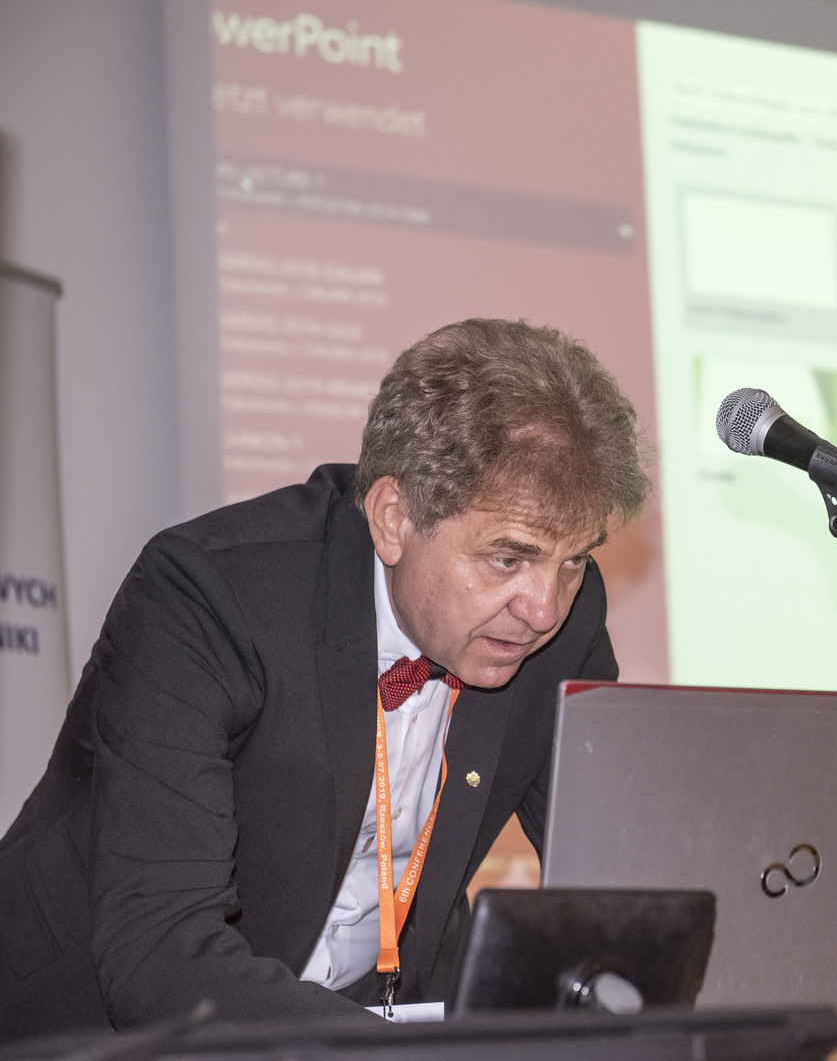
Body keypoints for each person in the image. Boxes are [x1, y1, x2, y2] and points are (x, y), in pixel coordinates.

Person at [0, 319, 649, 1038]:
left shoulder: (566, 620)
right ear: (394, 519)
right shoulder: (210, 597)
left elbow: (627, 882)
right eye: (507, 558)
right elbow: (160, 953)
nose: (544, 608)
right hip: (91, 1026)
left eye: (574, 559)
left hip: (373, 1020)